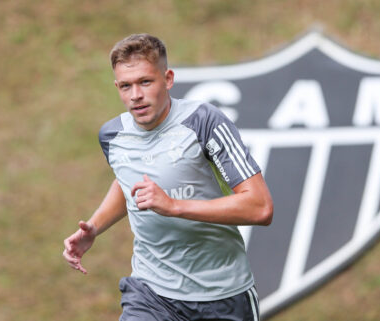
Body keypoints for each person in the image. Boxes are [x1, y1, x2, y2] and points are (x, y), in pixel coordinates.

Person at [62, 33, 273, 321]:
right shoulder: (113, 136)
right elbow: (128, 182)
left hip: (223, 296)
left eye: (145, 82)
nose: (135, 95)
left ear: (168, 79)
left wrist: (174, 206)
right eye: (126, 86)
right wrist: (95, 228)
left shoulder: (204, 122)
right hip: (151, 294)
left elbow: (260, 207)